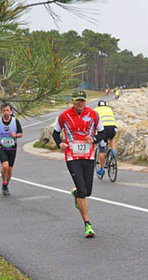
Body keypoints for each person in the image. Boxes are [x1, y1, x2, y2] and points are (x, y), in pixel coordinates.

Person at [52, 90, 106, 238]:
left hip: (88, 156)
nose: (80, 103)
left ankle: (76, 193)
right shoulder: (64, 116)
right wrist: (60, 144)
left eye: (82, 100)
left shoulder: (94, 115)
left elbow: (103, 133)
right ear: (73, 101)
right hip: (72, 157)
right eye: (77, 101)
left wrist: (94, 139)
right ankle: (88, 225)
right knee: (83, 191)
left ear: (86, 101)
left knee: (87, 192)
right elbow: (55, 133)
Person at [0, 102, 23, 195]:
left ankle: (5, 185)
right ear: (1, 111)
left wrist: (16, 135)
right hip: (1, 146)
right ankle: (4, 181)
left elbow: (21, 134)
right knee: (5, 165)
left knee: (10, 170)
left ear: (11, 111)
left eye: (7, 110)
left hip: (12, 147)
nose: (6, 112)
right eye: (4, 110)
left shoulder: (15, 121)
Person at [94, 100, 118, 178]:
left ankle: (101, 169)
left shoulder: (95, 110)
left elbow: (94, 123)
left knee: (102, 150)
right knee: (111, 138)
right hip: (113, 127)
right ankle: (113, 150)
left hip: (103, 129)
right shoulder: (109, 109)